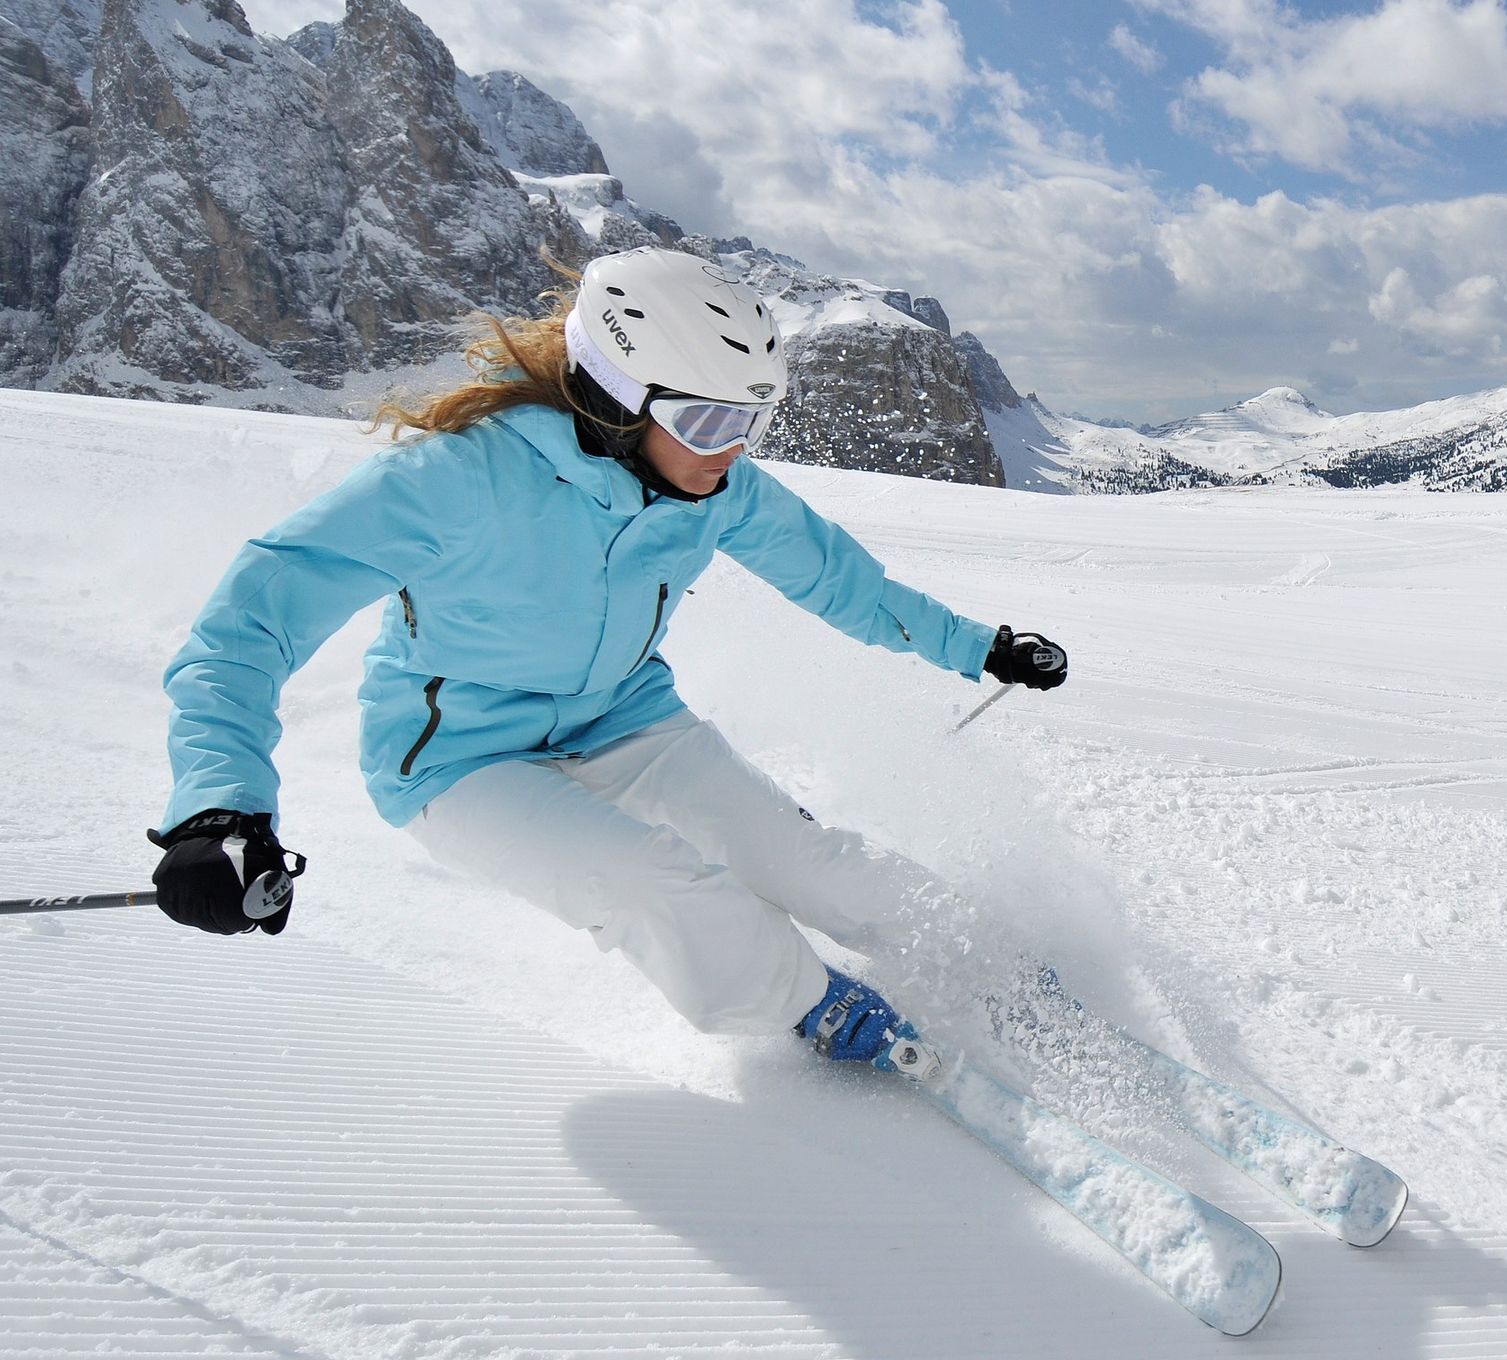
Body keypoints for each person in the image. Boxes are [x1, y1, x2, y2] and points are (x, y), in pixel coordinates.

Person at [145, 247, 1067, 1075]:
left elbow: (839, 580)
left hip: (626, 716)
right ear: (620, 399)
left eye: (754, 418)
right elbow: (246, 629)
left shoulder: (712, 485)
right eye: (708, 422)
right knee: (657, 885)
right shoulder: (454, 482)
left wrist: (977, 646)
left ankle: (996, 970)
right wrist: (217, 809)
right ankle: (816, 1010)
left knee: (805, 858)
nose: (735, 449)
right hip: (462, 760)